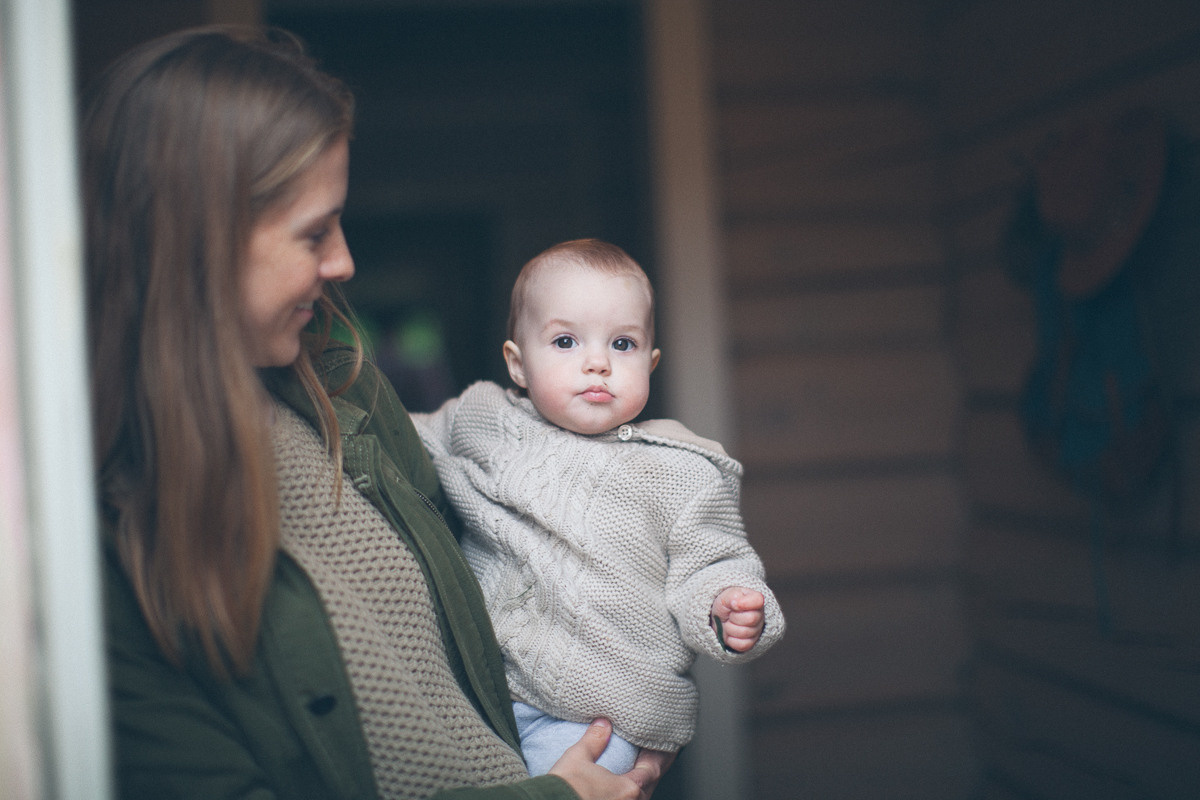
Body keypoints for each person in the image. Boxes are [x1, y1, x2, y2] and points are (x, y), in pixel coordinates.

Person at [84, 26, 670, 800]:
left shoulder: (342, 388)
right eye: (313, 231)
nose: (343, 263)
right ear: (199, 240)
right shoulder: (100, 535)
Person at [412, 239, 785, 776]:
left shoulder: (679, 471)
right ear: (517, 364)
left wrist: (728, 605)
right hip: (478, 695)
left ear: (651, 363)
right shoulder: (484, 419)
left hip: (598, 718)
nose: (597, 363)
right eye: (565, 341)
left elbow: (713, 561)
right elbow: (405, 436)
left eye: (623, 344)